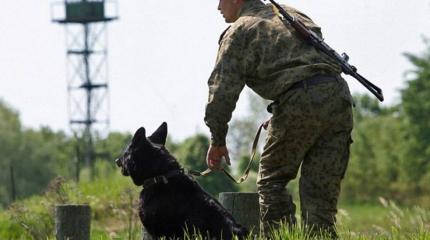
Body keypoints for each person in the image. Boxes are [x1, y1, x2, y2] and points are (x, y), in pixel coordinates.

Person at [204, 0, 353, 238]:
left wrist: (217, 139)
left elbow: (221, 91)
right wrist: (288, 112)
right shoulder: (291, 14)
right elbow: (309, 62)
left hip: (299, 100)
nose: (218, 7)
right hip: (338, 98)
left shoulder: (239, 31)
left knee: (272, 182)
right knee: (319, 193)